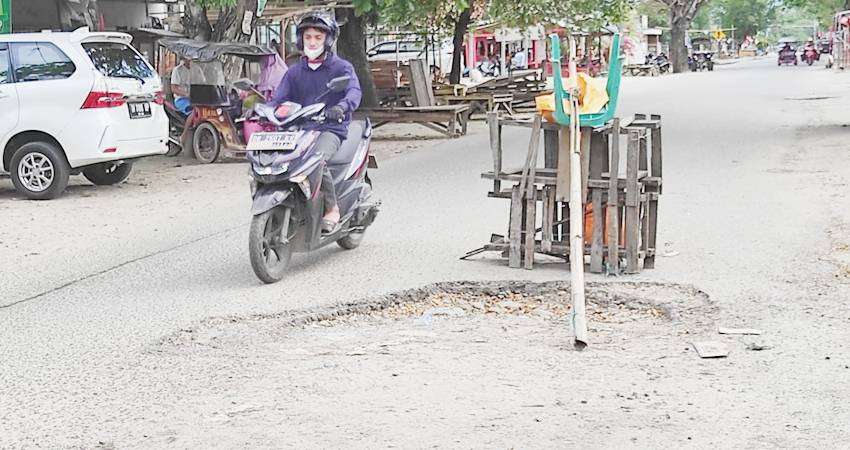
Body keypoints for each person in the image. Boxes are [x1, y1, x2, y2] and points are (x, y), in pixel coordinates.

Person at [269, 13, 362, 234]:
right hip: (299, 129)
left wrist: (341, 107)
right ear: (301, 39)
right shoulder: (294, 72)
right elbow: (278, 98)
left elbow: (354, 91)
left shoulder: (341, 68)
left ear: (328, 40)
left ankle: (332, 208)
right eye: (308, 36)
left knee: (315, 160)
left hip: (330, 128)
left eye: (317, 37)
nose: (312, 41)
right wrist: (269, 109)